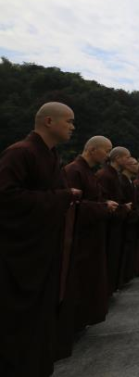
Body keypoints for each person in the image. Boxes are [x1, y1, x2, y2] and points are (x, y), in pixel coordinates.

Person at [0, 102, 81, 377]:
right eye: (68, 121)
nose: (72, 127)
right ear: (49, 121)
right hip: (21, 253)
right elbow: (7, 198)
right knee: (20, 317)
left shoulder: (50, 155)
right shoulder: (20, 153)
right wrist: (62, 196)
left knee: (40, 316)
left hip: (44, 248)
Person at [61, 136, 118, 341]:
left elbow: (90, 199)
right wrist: (102, 207)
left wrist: (104, 203)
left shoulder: (88, 172)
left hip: (92, 234)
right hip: (79, 237)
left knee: (89, 279)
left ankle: (82, 318)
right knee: (78, 279)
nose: (108, 155)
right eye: (106, 150)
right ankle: (73, 322)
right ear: (92, 149)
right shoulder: (73, 171)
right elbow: (70, 205)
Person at [97, 146, 132, 295]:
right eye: (127, 157)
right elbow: (103, 200)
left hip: (117, 221)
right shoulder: (105, 175)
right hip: (109, 224)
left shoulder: (115, 175)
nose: (129, 160)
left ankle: (111, 287)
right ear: (117, 158)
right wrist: (123, 208)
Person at [118, 156, 139, 285]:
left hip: (132, 218)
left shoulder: (130, 181)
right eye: (134, 163)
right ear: (126, 166)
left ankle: (127, 274)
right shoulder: (122, 181)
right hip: (125, 220)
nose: (136, 166)